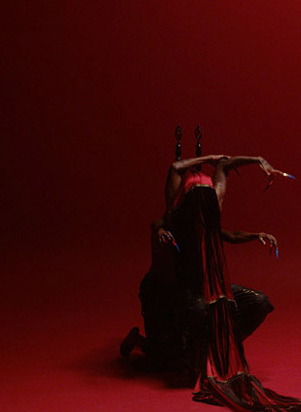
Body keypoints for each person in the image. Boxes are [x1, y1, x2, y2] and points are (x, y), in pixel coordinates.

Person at [121, 152, 286, 384]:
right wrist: (209, 158)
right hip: (170, 291)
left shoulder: (211, 208)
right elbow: (175, 170)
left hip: (204, 287)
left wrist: (258, 160)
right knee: (169, 354)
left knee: (259, 302)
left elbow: (225, 169)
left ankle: (216, 350)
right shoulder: (174, 217)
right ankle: (143, 342)